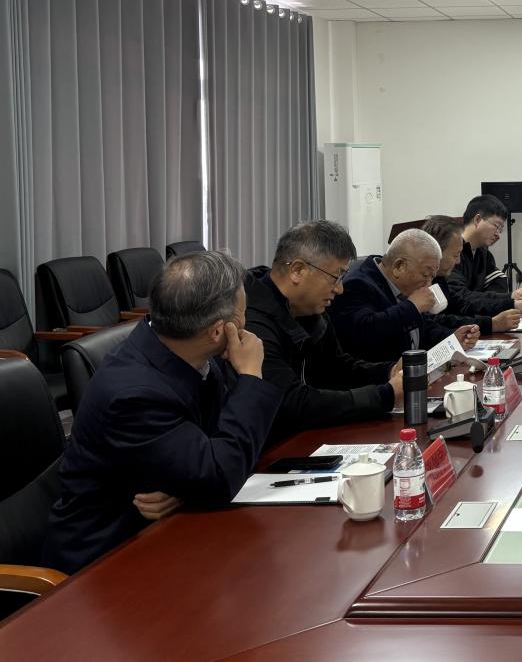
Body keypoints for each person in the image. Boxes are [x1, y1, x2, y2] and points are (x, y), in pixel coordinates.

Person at [42, 251, 282, 574]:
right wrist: (251, 375)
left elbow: (220, 447)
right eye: (242, 315)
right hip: (103, 561)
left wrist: (187, 486)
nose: (246, 325)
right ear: (217, 331)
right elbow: (220, 474)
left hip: (164, 533)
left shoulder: (183, 350)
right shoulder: (134, 395)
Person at [244, 220, 403, 442]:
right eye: (335, 277)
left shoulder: (309, 312)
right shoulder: (252, 323)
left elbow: (336, 367)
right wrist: (384, 395)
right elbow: (291, 403)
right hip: (272, 448)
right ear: (297, 270)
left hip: (310, 435)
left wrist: (388, 372)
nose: (340, 289)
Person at [330, 229, 481, 362]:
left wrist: (452, 338)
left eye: (432, 277)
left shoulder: (403, 287)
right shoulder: (357, 284)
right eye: (425, 275)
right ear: (399, 266)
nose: (428, 284)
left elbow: (420, 328)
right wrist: (412, 306)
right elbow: (366, 332)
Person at [422, 214, 522, 334]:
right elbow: (434, 323)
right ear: (436, 253)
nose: (458, 261)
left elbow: (462, 304)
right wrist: (491, 323)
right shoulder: (417, 285)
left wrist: (509, 302)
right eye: (455, 255)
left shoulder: (440, 279)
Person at [448, 194, 522, 315]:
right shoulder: (452, 254)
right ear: (477, 220)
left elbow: (499, 281)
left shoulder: (483, 253)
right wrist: (508, 299)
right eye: (496, 226)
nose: (498, 234)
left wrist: (496, 300)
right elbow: (461, 298)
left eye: (500, 229)